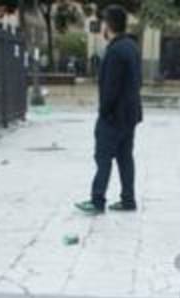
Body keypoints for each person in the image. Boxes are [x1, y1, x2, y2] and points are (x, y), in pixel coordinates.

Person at [75, 5, 142, 215]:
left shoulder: (114, 51)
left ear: (109, 25)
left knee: (102, 157)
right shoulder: (132, 47)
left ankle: (97, 201)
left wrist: (104, 113)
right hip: (130, 114)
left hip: (113, 116)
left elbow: (110, 88)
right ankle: (128, 200)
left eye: (103, 22)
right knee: (125, 158)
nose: (102, 26)